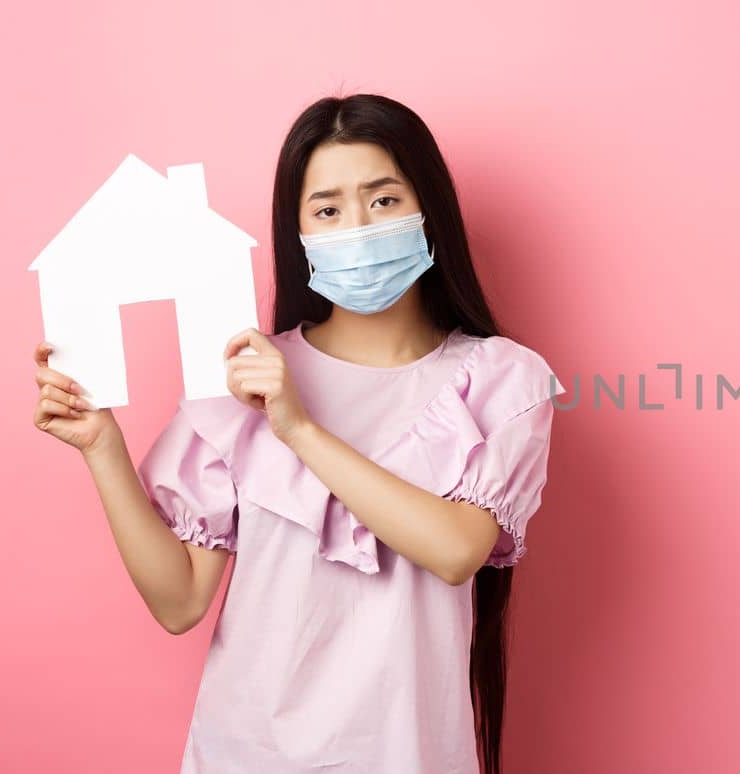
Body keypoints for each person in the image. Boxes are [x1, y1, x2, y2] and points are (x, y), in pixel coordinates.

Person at [29, 93, 565, 774]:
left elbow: (457, 550)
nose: (359, 228)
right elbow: (179, 601)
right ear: (299, 231)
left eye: (384, 199)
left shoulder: (500, 378)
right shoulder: (240, 377)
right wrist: (102, 447)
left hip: (411, 753)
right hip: (246, 751)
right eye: (328, 210)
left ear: (429, 209)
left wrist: (299, 428)